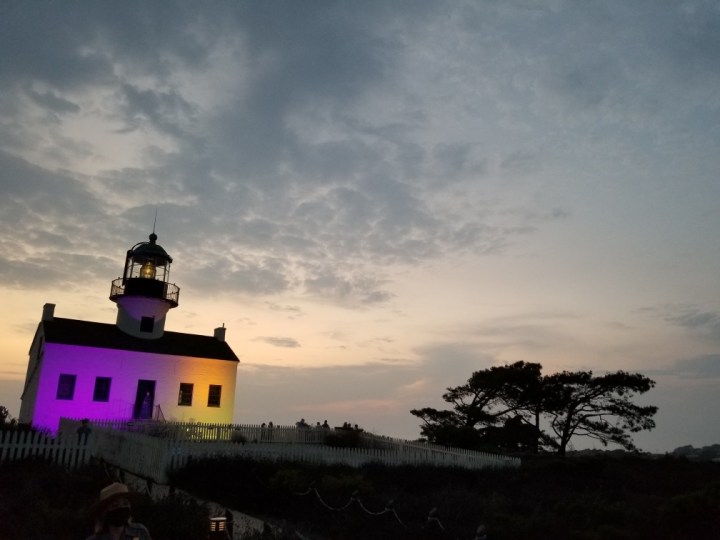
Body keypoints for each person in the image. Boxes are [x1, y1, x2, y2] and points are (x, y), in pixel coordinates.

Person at [87, 482, 151, 540]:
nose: (122, 508)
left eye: (125, 503)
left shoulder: (140, 532)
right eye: (115, 505)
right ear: (105, 511)